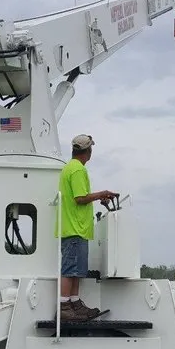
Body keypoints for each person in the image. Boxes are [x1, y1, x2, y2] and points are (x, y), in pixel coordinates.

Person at [56, 134, 118, 321]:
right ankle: (64, 306)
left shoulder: (70, 168)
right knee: (70, 269)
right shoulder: (77, 170)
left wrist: (98, 196)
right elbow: (79, 198)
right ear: (88, 152)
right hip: (75, 227)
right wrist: (101, 194)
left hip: (76, 228)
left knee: (76, 270)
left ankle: (74, 302)